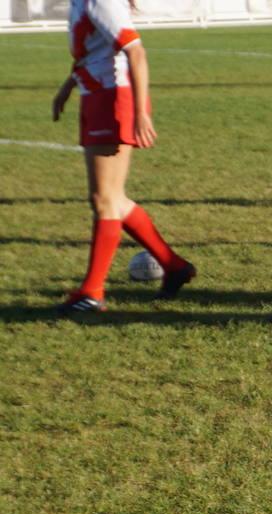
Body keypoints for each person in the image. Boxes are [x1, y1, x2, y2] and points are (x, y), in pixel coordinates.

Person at [51, 0, 195, 314]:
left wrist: (141, 113)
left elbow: (136, 52)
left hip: (113, 99)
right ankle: (174, 267)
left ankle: (91, 292)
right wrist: (67, 86)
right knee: (111, 198)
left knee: (104, 199)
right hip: (96, 96)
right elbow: (94, 51)